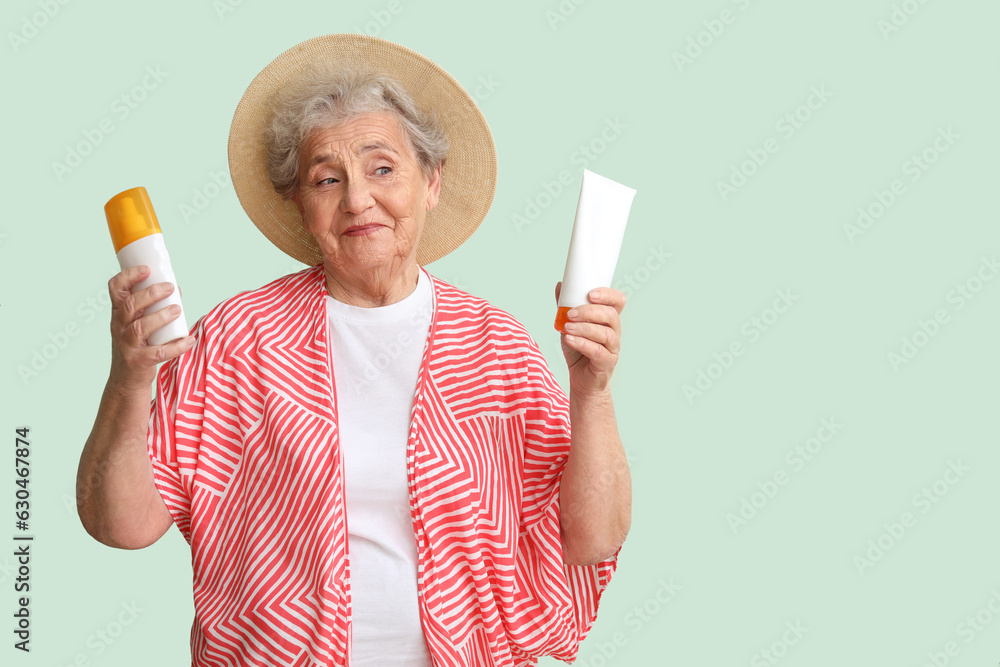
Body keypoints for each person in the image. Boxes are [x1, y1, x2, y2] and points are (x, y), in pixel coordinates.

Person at [77, 34, 631, 667]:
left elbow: (593, 540)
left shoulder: (496, 344)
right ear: (300, 205)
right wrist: (129, 378)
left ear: (432, 184)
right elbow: (120, 525)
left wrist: (593, 394)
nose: (357, 199)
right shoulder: (236, 340)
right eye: (326, 178)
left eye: (383, 168)